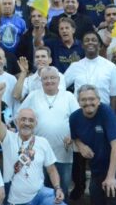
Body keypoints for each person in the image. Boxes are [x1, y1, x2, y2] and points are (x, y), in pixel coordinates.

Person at [0, 89, 70, 205]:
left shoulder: (42, 142)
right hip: (17, 201)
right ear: (17, 121)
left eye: (30, 120)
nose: (26, 123)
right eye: (23, 119)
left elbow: (52, 169)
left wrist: (57, 188)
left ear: (35, 124)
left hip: (40, 194)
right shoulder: (8, 139)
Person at [19, 66, 79, 195]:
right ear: (41, 81)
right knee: (38, 190)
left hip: (63, 153)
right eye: (45, 78)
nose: (49, 81)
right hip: (37, 153)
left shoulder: (68, 96)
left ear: (58, 80)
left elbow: (79, 120)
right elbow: (19, 116)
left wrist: (72, 136)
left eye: (52, 78)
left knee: (62, 189)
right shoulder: (33, 96)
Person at [63, 30, 116, 113]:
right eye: (87, 40)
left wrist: (111, 115)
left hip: (103, 112)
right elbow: (61, 86)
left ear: (99, 45)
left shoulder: (111, 66)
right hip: (79, 112)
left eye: (94, 40)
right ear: (82, 45)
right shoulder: (75, 66)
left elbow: (114, 96)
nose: (90, 42)